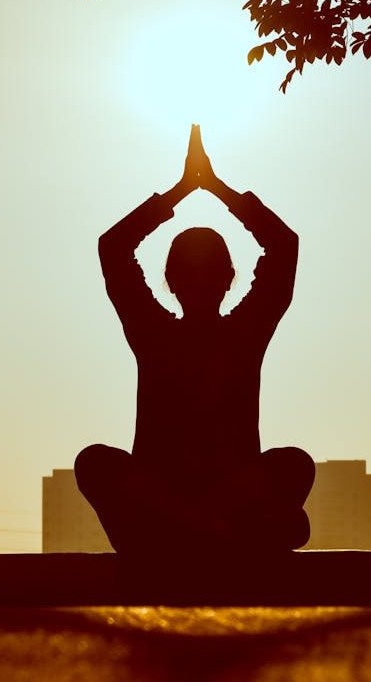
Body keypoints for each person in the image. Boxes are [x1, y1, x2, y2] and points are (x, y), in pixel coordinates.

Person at [76, 125, 315, 554]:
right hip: (174, 503)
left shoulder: (228, 333)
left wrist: (193, 189)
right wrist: (202, 188)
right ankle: (208, 528)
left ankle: (196, 527)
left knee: (295, 464)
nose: (202, 281)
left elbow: (284, 246)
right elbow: (282, 245)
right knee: (94, 462)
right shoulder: (166, 333)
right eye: (194, 271)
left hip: (195, 507)